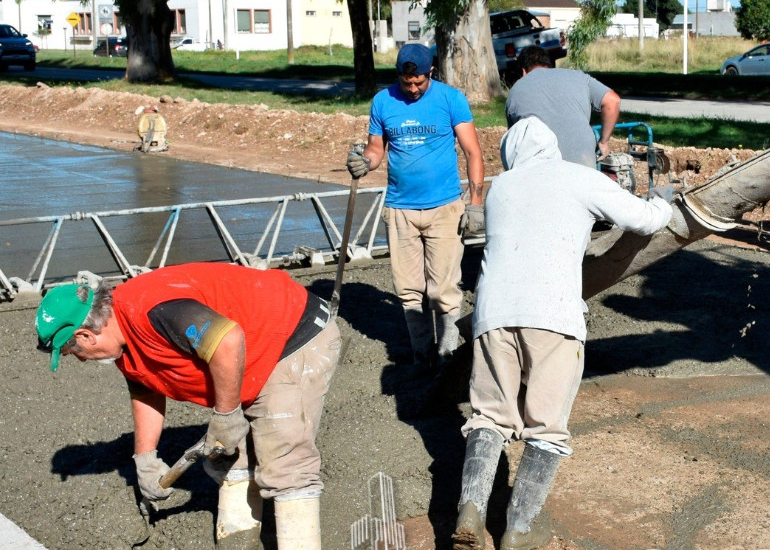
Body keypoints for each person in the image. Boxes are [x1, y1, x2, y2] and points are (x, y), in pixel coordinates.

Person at [452, 117, 672, 550]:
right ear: (552, 147)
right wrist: (662, 201)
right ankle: (518, 529)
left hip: (493, 313)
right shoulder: (579, 178)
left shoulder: (503, 190)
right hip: (553, 315)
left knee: (489, 416)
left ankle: (471, 508)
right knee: (546, 428)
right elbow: (642, 220)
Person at [34, 263, 340, 549]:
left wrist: (227, 413)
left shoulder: (154, 311)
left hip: (292, 333)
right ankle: (239, 540)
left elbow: (227, 341)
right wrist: (145, 458)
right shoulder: (121, 341)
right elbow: (146, 388)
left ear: (85, 336)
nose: (81, 359)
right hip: (250, 352)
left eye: (74, 352)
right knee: (230, 456)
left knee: (284, 462)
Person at [347, 43, 485, 364]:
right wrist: (364, 162)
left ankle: (448, 355)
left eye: (418, 82)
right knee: (409, 290)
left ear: (430, 73)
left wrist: (475, 202)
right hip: (400, 209)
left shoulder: (451, 99)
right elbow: (376, 150)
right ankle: (422, 356)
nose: (412, 89)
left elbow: (473, 152)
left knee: (443, 288)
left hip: (444, 208)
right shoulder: (383, 102)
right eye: (406, 82)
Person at [505, 45, 621, 168]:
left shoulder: (515, 91)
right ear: (549, 65)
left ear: (523, 71)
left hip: (540, 169)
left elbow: (514, 144)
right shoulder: (579, 77)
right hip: (583, 162)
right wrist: (603, 142)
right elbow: (613, 101)